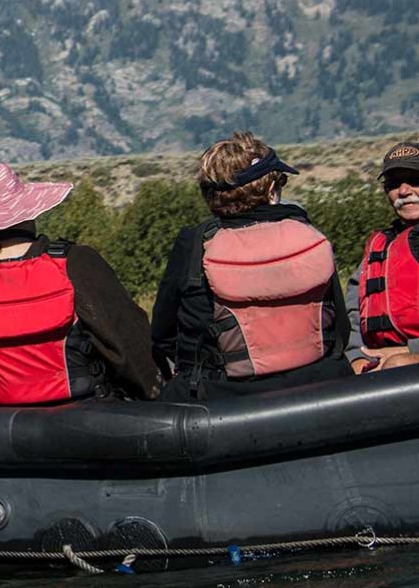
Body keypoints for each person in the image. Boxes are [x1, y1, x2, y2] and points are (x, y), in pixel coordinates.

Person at [0, 163, 160, 406]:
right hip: (84, 419)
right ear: (27, 212)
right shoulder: (75, 261)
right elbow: (126, 342)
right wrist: (157, 396)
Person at [152, 133, 346, 399]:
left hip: (224, 396)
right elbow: (341, 329)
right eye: (281, 181)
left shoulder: (194, 243)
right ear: (269, 190)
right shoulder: (308, 235)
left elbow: (163, 333)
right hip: (321, 380)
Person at [349, 140, 419, 374]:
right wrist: (357, 358)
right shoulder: (381, 246)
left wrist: (408, 350)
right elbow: (354, 314)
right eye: (394, 183)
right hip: (381, 365)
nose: (404, 191)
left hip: (403, 363)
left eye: (415, 180)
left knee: (397, 366)